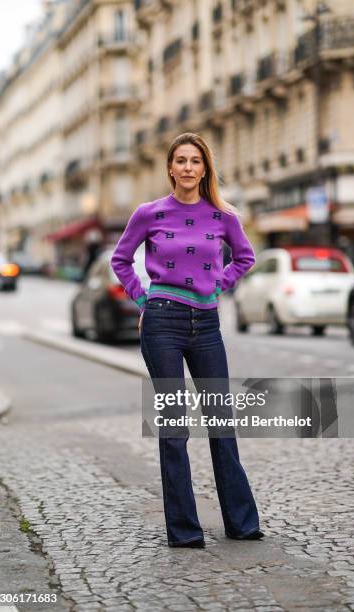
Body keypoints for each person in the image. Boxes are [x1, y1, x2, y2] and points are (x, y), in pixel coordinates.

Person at [111, 132, 263, 548]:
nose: (188, 168)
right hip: (162, 323)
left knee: (221, 424)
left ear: (205, 168)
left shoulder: (223, 216)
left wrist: (218, 285)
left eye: (195, 160)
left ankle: (242, 523)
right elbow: (121, 259)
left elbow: (245, 257)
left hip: (207, 325)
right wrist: (144, 299)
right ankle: (183, 530)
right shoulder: (149, 212)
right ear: (170, 167)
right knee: (175, 430)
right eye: (181, 160)